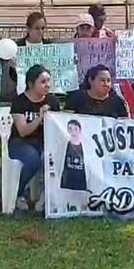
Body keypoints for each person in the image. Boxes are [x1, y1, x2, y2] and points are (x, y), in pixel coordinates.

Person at [9, 64, 61, 211]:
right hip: (20, 142)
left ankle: (47, 199)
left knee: (52, 158)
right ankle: (17, 193)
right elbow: (23, 131)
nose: (47, 85)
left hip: (45, 142)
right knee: (33, 159)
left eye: (48, 81)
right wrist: (39, 118)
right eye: (43, 82)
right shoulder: (19, 101)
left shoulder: (52, 101)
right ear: (31, 84)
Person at [60, 119, 87, 192]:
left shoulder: (85, 148)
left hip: (81, 183)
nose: (73, 132)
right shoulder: (63, 146)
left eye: (76, 129)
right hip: (67, 182)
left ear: (80, 131)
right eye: (70, 129)